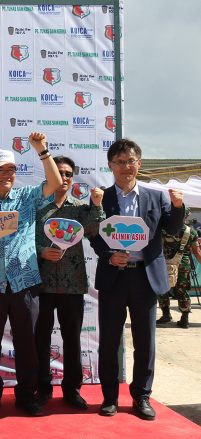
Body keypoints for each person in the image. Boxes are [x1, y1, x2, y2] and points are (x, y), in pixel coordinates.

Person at [0, 132, 61, 417]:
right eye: (0, 170)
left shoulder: (27, 197)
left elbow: (55, 184)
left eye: (11, 170)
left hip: (24, 282)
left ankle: (27, 395)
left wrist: (42, 150)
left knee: (27, 343)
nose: (7, 174)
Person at [88, 138, 184, 420]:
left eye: (130, 161)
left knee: (145, 342)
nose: (125, 167)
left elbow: (173, 229)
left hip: (145, 277)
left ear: (138, 164)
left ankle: (142, 396)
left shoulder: (156, 197)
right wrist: (109, 256)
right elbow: (94, 234)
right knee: (109, 340)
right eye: (120, 162)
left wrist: (178, 206)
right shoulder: (102, 197)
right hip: (113, 278)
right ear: (110, 165)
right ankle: (109, 398)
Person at [34, 156, 104, 410]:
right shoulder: (37, 207)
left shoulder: (80, 209)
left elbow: (96, 228)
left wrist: (97, 204)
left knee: (72, 339)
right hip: (40, 284)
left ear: (73, 179)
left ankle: (72, 389)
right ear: (49, 175)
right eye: (59, 172)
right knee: (40, 339)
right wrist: (42, 251)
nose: (63, 177)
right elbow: (23, 241)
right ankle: (42, 388)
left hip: (73, 285)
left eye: (68, 174)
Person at [157, 209, 201, 329]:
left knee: (162, 288)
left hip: (164, 263)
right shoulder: (191, 232)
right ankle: (184, 319)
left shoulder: (163, 230)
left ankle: (166, 315)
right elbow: (197, 252)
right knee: (182, 290)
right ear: (186, 216)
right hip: (183, 264)